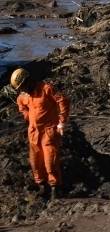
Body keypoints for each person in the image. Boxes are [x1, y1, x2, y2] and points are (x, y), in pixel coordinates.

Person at [11, 68, 69, 200]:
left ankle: (55, 189)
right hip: (34, 133)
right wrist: (29, 118)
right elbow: (22, 108)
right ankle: (42, 186)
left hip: (49, 131)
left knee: (50, 161)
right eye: (20, 88)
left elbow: (63, 101)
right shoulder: (23, 96)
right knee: (35, 163)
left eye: (23, 86)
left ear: (28, 81)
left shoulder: (46, 89)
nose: (22, 90)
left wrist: (61, 122)